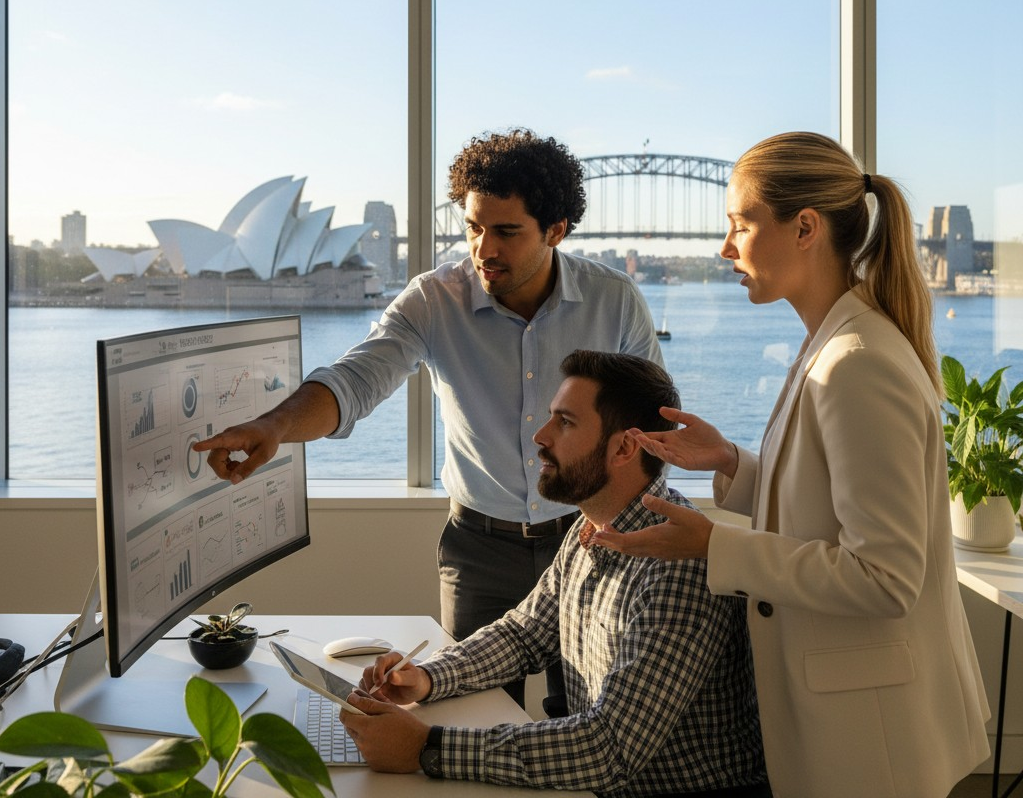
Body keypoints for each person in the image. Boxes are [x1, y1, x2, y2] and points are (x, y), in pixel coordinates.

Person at [194, 128, 662, 708]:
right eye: (473, 227)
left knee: (591, 714)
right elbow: (355, 378)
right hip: (480, 552)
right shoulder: (433, 298)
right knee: (464, 713)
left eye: (507, 232)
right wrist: (276, 427)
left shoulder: (614, 300)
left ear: (557, 230)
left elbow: (652, 431)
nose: (484, 248)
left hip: (595, 538)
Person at [593, 132, 990, 798]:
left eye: (739, 225)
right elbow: (833, 508)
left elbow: (885, 577)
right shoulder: (833, 343)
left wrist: (716, 546)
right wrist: (733, 464)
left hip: (874, 741)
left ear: (804, 228)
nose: (725, 249)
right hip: (858, 723)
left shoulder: (855, 363)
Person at [341, 350, 768, 798]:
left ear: (623, 448)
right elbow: (524, 635)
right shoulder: (593, 526)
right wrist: (426, 678)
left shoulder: (679, 564)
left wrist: (427, 748)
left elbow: (609, 749)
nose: (540, 436)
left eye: (564, 422)